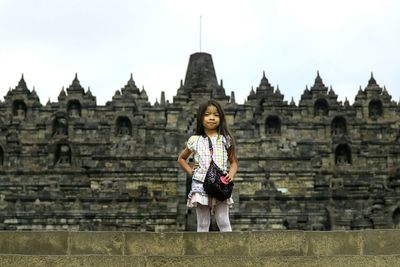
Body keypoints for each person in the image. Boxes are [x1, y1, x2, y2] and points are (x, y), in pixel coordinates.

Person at [177, 99, 238, 232]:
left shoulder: (226, 139)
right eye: (207, 114)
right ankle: (201, 253)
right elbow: (181, 158)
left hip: (220, 184)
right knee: (203, 224)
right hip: (200, 184)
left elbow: (233, 163)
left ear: (221, 118)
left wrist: (230, 175)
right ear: (200, 117)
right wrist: (190, 171)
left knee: (224, 222)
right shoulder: (194, 140)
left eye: (216, 115)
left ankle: (230, 252)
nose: (212, 118)